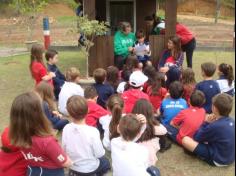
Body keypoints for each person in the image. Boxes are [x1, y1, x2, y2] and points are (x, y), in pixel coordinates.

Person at [9, 92, 72, 176]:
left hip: (33, 171)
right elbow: (66, 163)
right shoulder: (47, 142)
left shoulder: (17, 136)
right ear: (40, 115)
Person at [62, 95, 111, 176]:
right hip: (90, 168)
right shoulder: (93, 131)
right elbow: (100, 154)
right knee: (105, 162)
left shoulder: (66, 128)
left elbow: (64, 148)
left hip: (74, 167)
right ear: (88, 110)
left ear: (69, 113)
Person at [182, 93, 235, 166]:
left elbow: (196, 137)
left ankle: (201, 155)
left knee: (185, 140)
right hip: (230, 157)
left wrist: (206, 123)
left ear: (215, 108)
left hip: (219, 160)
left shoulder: (215, 126)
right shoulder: (232, 121)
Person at [132, 99, 168, 165]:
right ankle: (163, 147)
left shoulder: (130, 123)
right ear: (150, 112)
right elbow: (164, 131)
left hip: (132, 154)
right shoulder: (153, 127)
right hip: (147, 159)